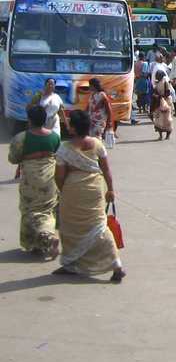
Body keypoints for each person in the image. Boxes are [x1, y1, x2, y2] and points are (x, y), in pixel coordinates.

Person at [53, 109, 125, 283]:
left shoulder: (64, 149)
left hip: (72, 191)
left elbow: (59, 176)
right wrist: (110, 189)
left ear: (74, 128)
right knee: (99, 227)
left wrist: (64, 191)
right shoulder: (97, 144)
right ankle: (116, 265)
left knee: (70, 228)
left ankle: (71, 262)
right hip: (94, 189)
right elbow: (106, 169)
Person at [8, 105, 61, 259]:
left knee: (30, 211)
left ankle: (49, 240)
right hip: (50, 179)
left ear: (29, 120)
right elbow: (58, 154)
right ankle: (39, 244)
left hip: (31, 180)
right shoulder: (54, 137)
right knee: (47, 210)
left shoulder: (21, 138)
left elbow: (13, 158)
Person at [151, 71, 174, 140]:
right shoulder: (161, 83)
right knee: (164, 120)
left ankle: (164, 136)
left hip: (162, 103)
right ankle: (164, 136)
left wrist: (159, 96)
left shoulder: (163, 83)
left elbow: (167, 92)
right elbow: (168, 92)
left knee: (163, 120)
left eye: (157, 75)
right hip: (163, 103)